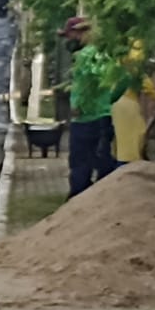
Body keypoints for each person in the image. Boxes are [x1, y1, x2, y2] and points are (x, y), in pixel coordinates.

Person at [62, 17, 121, 196]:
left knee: (80, 163)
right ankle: (101, 199)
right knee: (101, 159)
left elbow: (85, 85)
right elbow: (122, 80)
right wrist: (110, 100)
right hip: (104, 115)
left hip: (85, 118)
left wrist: (78, 105)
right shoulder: (106, 55)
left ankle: (78, 200)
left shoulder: (86, 55)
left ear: (81, 33)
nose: (70, 40)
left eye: (71, 35)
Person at [111, 39, 155, 166]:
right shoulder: (138, 77)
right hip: (130, 110)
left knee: (123, 149)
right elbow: (151, 100)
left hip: (120, 108)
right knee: (132, 150)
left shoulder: (119, 72)